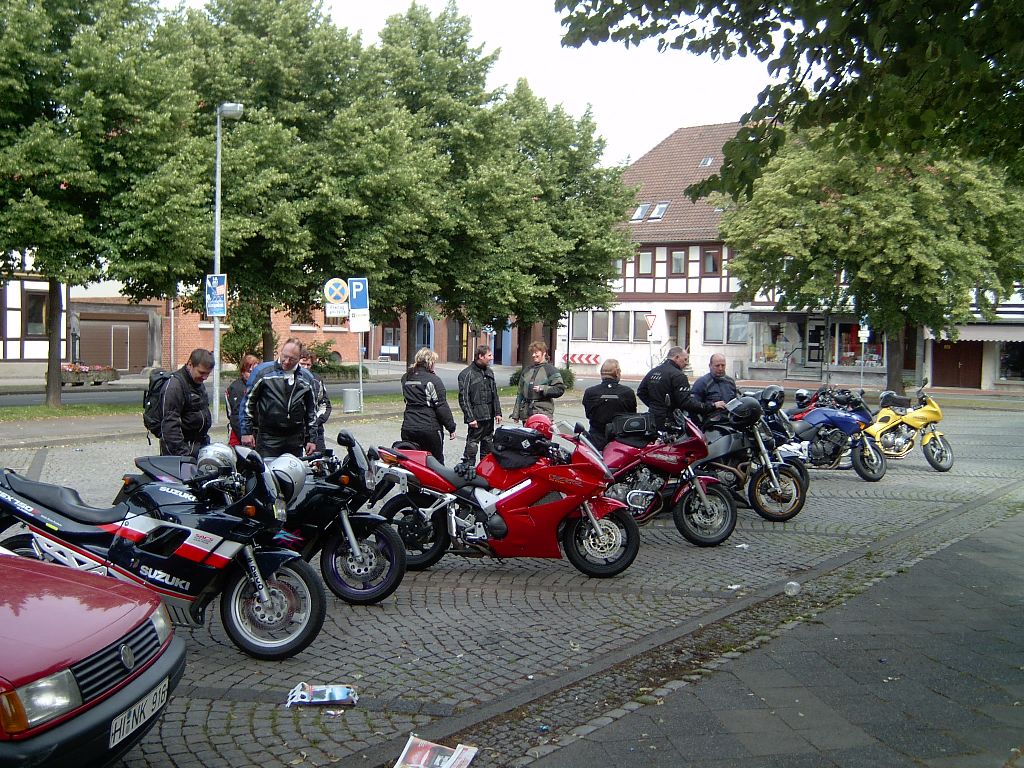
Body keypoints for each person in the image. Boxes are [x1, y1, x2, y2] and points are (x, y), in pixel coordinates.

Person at [240, 338, 318, 459]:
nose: (286, 362)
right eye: (284, 356)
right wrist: (246, 432)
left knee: (293, 469)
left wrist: (311, 439)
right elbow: (248, 402)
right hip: (268, 437)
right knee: (267, 469)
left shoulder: (306, 378)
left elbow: (311, 410)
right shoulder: (263, 372)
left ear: (299, 358)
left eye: (292, 359)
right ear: (281, 352)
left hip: (295, 437)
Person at [637, 346, 719, 428]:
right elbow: (686, 402)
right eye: (685, 359)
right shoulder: (678, 375)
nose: (686, 363)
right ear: (676, 357)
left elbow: (641, 392)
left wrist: (655, 407)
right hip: (670, 421)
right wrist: (712, 406)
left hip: (652, 419)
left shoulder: (653, 371)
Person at [400, 347, 457, 463]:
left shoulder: (406, 378)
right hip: (429, 428)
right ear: (430, 363)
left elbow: (406, 399)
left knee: (412, 462)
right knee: (435, 462)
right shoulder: (434, 380)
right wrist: (451, 427)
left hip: (408, 427)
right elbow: (441, 406)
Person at [159, 348, 214, 458]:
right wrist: (183, 455)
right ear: (190, 364)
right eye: (201, 372)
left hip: (197, 447)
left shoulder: (197, 383)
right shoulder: (175, 386)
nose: (205, 377)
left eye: (208, 373)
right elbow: (170, 426)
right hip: (181, 453)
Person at [457, 344, 502, 464]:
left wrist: (498, 412)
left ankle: (485, 469)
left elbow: (494, 394)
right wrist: (470, 418)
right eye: (489, 355)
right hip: (476, 417)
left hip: (489, 417)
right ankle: (468, 468)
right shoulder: (466, 374)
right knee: (472, 445)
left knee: (488, 445)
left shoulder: (489, 372)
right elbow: (464, 398)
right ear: (481, 356)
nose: (492, 358)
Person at [582, 358, 637, 449]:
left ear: (601, 373)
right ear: (617, 373)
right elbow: (632, 415)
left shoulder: (590, 392)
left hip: (596, 439)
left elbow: (588, 414)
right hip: (621, 440)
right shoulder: (627, 392)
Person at [511, 340, 565, 422]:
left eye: (536, 352)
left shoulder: (551, 370)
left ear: (544, 353)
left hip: (543, 413)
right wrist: (516, 414)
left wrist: (543, 388)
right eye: (532, 353)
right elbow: (520, 394)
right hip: (526, 414)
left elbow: (560, 389)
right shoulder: (527, 371)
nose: (533, 355)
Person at [298, 350, 333, 453]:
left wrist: (315, 422)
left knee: (319, 459)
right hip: (294, 431)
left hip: (315, 430)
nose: (305, 367)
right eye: (302, 364)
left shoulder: (317, 380)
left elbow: (325, 405)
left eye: (308, 364)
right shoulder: (289, 379)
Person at [225, 353, 259, 447]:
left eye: (255, 371)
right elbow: (236, 416)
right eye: (249, 371)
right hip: (240, 436)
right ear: (242, 372)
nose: (252, 374)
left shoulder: (258, 386)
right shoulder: (236, 388)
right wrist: (245, 434)